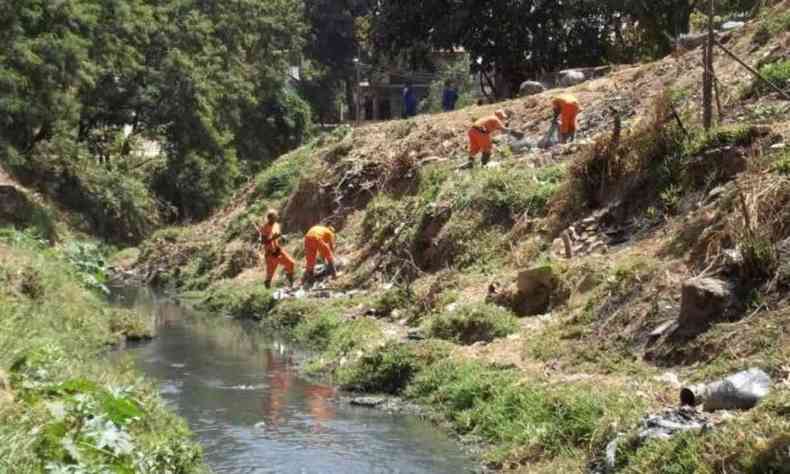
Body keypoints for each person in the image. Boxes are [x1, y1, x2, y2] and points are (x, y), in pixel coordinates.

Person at [257, 210, 295, 289]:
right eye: (273, 218)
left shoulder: (276, 225)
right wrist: (272, 238)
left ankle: (290, 283)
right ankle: (289, 283)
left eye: (275, 217)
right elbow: (263, 241)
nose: (274, 219)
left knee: (290, 263)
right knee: (287, 265)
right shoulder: (264, 227)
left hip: (277, 249)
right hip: (270, 252)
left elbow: (278, 235)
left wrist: (282, 237)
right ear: (269, 218)